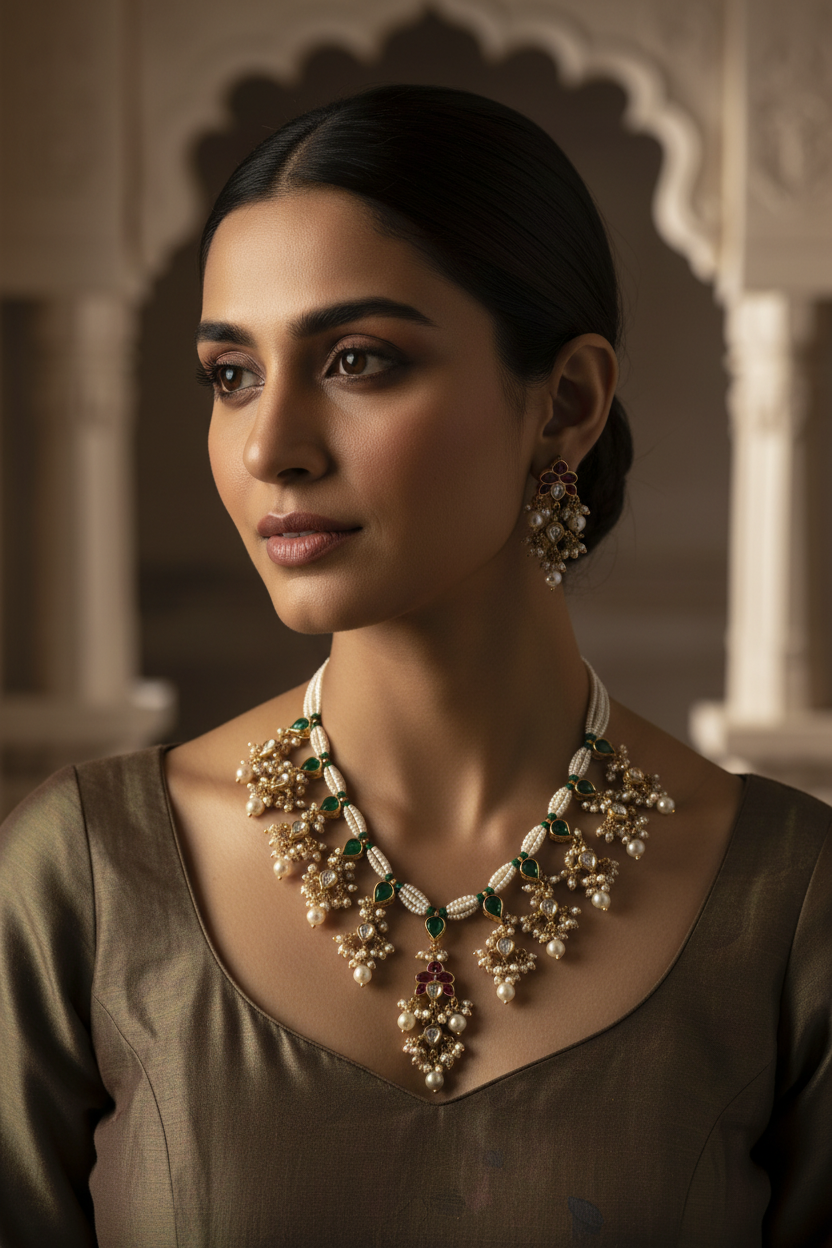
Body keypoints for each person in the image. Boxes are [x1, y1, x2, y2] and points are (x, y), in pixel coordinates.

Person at [1, 84, 830, 1248]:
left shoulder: (787, 900)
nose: (270, 446)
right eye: (231, 374)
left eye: (357, 360)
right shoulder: (88, 877)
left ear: (566, 404)